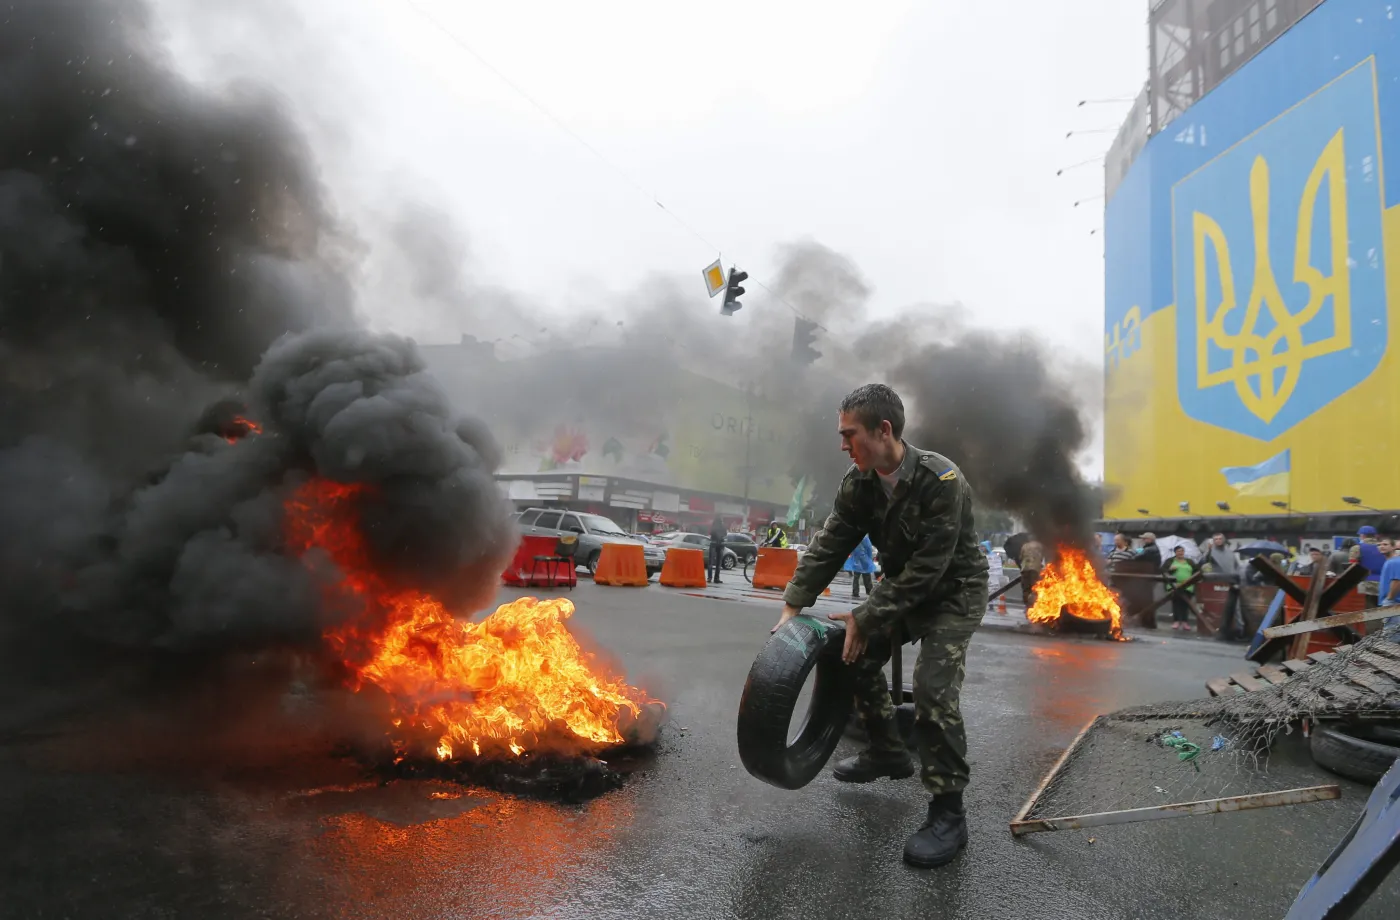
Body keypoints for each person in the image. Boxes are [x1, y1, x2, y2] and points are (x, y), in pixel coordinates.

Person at [772, 384, 988, 869]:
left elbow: (931, 568)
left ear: (883, 430)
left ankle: (949, 814)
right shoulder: (860, 481)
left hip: (953, 592)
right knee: (857, 657)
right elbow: (832, 542)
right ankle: (888, 752)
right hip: (904, 589)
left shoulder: (942, 480)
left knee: (933, 691)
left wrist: (866, 615)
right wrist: (793, 605)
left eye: (850, 434)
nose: (843, 445)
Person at [1201, 533, 1243, 641]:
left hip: (1232, 582)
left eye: (1220, 539)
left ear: (1224, 540)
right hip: (1217, 583)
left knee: (1235, 608)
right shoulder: (1210, 552)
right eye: (1216, 539)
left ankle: (1238, 630)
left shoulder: (1230, 553)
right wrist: (1208, 552)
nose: (1218, 541)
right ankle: (1223, 630)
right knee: (1220, 608)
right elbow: (1203, 563)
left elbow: (1236, 566)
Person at [1162, 545, 1200, 631]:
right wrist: (1170, 570)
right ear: (1175, 552)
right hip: (1175, 586)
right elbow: (1163, 571)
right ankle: (1176, 621)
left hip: (1188, 586)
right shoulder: (1170, 561)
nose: (1180, 553)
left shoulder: (1189, 561)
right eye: (1178, 551)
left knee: (1185, 604)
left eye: (1182, 551)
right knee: (1176, 603)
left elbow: (1196, 571)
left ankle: (1185, 622)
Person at [845, 534, 877, 598]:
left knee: (856, 577)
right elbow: (869, 549)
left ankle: (855, 592)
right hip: (864, 559)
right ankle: (869, 591)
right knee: (867, 576)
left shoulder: (855, 538)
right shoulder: (865, 538)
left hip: (857, 560)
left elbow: (851, 549)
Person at [1018, 538, 1045, 610]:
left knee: (1026, 589)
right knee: (1035, 588)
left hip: (1025, 569)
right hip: (1035, 570)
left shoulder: (1025, 546)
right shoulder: (1040, 546)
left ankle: (1027, 607)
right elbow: (1042, 558)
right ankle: (1034, 607)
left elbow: (1020, 557)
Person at [707, 514, 727, 584]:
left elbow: (711, 532)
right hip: (720, 544)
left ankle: (709, 578)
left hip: (713, 543)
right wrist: (721, 537)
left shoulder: (713, 525)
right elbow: (725, 534)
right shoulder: (723, 526)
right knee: (719, 563)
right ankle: (716, 578)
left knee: (710, 562)